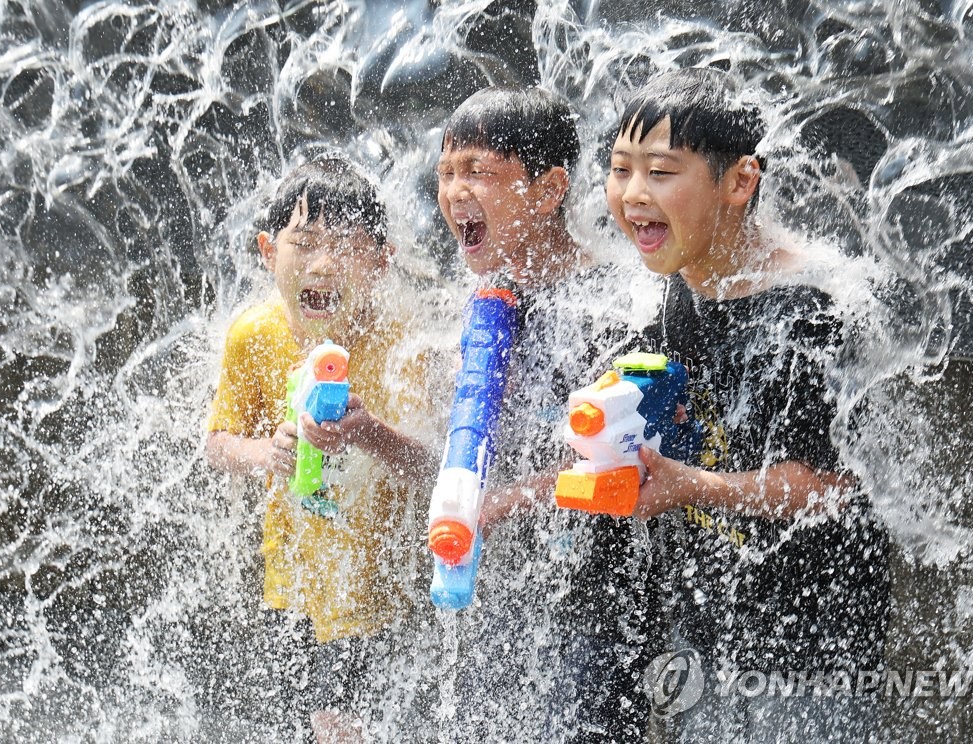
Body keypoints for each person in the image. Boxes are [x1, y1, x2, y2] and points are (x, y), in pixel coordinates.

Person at [605, 67, 891, 740]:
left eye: (662, 172)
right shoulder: (682, 282)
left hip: (815, 642)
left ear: (739, 181)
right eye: (621, 170)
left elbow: (828, 488)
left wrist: (688, 486)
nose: (633, 195)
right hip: (711, 622)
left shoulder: (815, 306)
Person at [435, 85, 656, 742]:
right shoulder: (476, 306)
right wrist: (369, 431)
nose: (454, 192)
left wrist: (504, 502)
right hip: (498, 596)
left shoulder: (614, 308)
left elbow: (626, 462)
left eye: (477, 171)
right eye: (446, 173)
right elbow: (454, 467)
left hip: (596, 605)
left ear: (551, 187)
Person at [205, 156, 436, 743]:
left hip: (386, 593)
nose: (323, 265)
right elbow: (217, 442)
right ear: (266, 250)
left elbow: (439, 468)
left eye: (347, 247)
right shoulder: (254, 335)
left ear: (382, 263)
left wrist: (371, 433)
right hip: (295, 589)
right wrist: (266, 454)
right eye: (303, 243)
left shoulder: (402, 340)